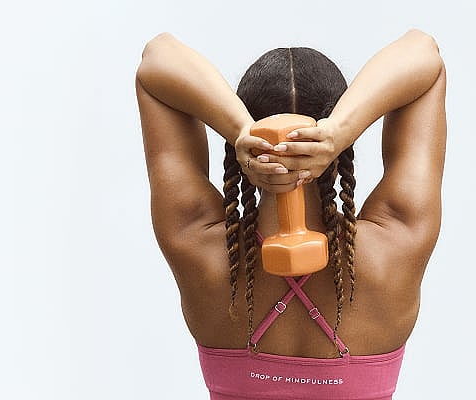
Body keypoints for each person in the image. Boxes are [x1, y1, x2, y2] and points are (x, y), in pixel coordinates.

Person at [136, 29, 446, 400]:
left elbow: (157, 60)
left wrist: (242, 130)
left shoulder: (198, 245)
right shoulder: (396, 243)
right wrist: (339, 130)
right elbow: (424, 55)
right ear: (341, 153)